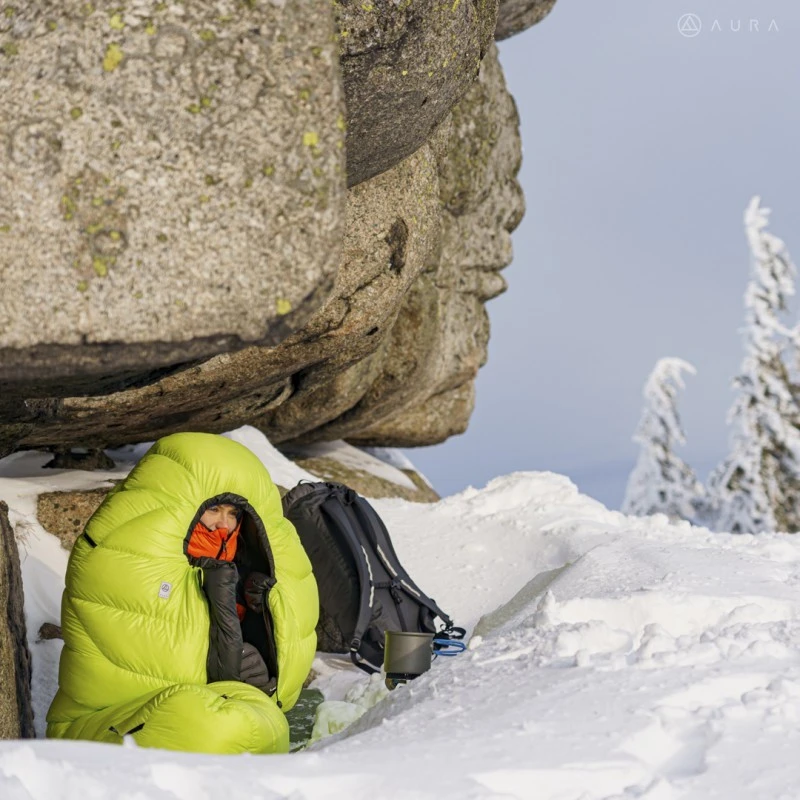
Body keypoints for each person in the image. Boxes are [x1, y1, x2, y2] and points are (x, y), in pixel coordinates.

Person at [47, 432, 318, 754]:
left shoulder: (238, 578)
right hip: (107, 722)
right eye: (214, 509)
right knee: (223, 729)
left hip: (193, 715)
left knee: (244, 728)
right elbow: (145, 654)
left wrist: (260, 667)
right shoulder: (122, 560)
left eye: (234, 514)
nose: (223, 524)